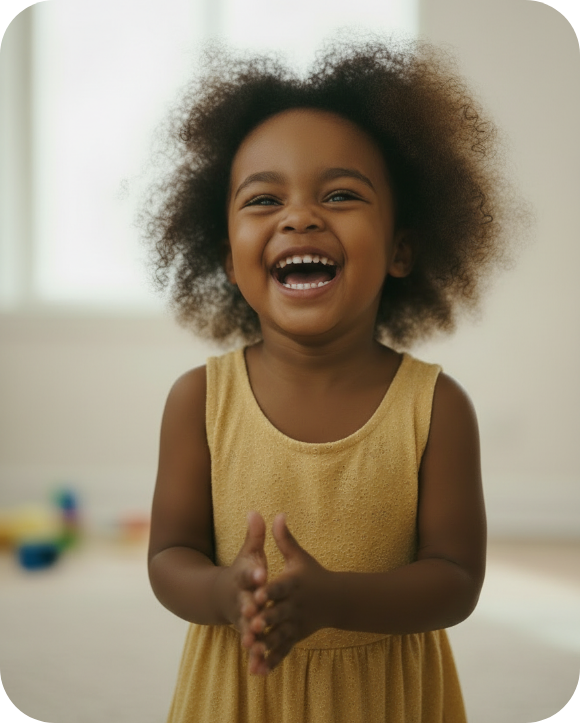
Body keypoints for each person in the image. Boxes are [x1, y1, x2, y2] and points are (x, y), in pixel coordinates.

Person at [144, 37, 519, 723]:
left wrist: (334, 600)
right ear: (228, 257)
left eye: (341, 194)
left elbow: (457, 580)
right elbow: (169, 554)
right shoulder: (199, 400)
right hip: (239, 697)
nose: (299, 216)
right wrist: (225, 590)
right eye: (263, 200)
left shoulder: (435, 407)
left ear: (402, 246)